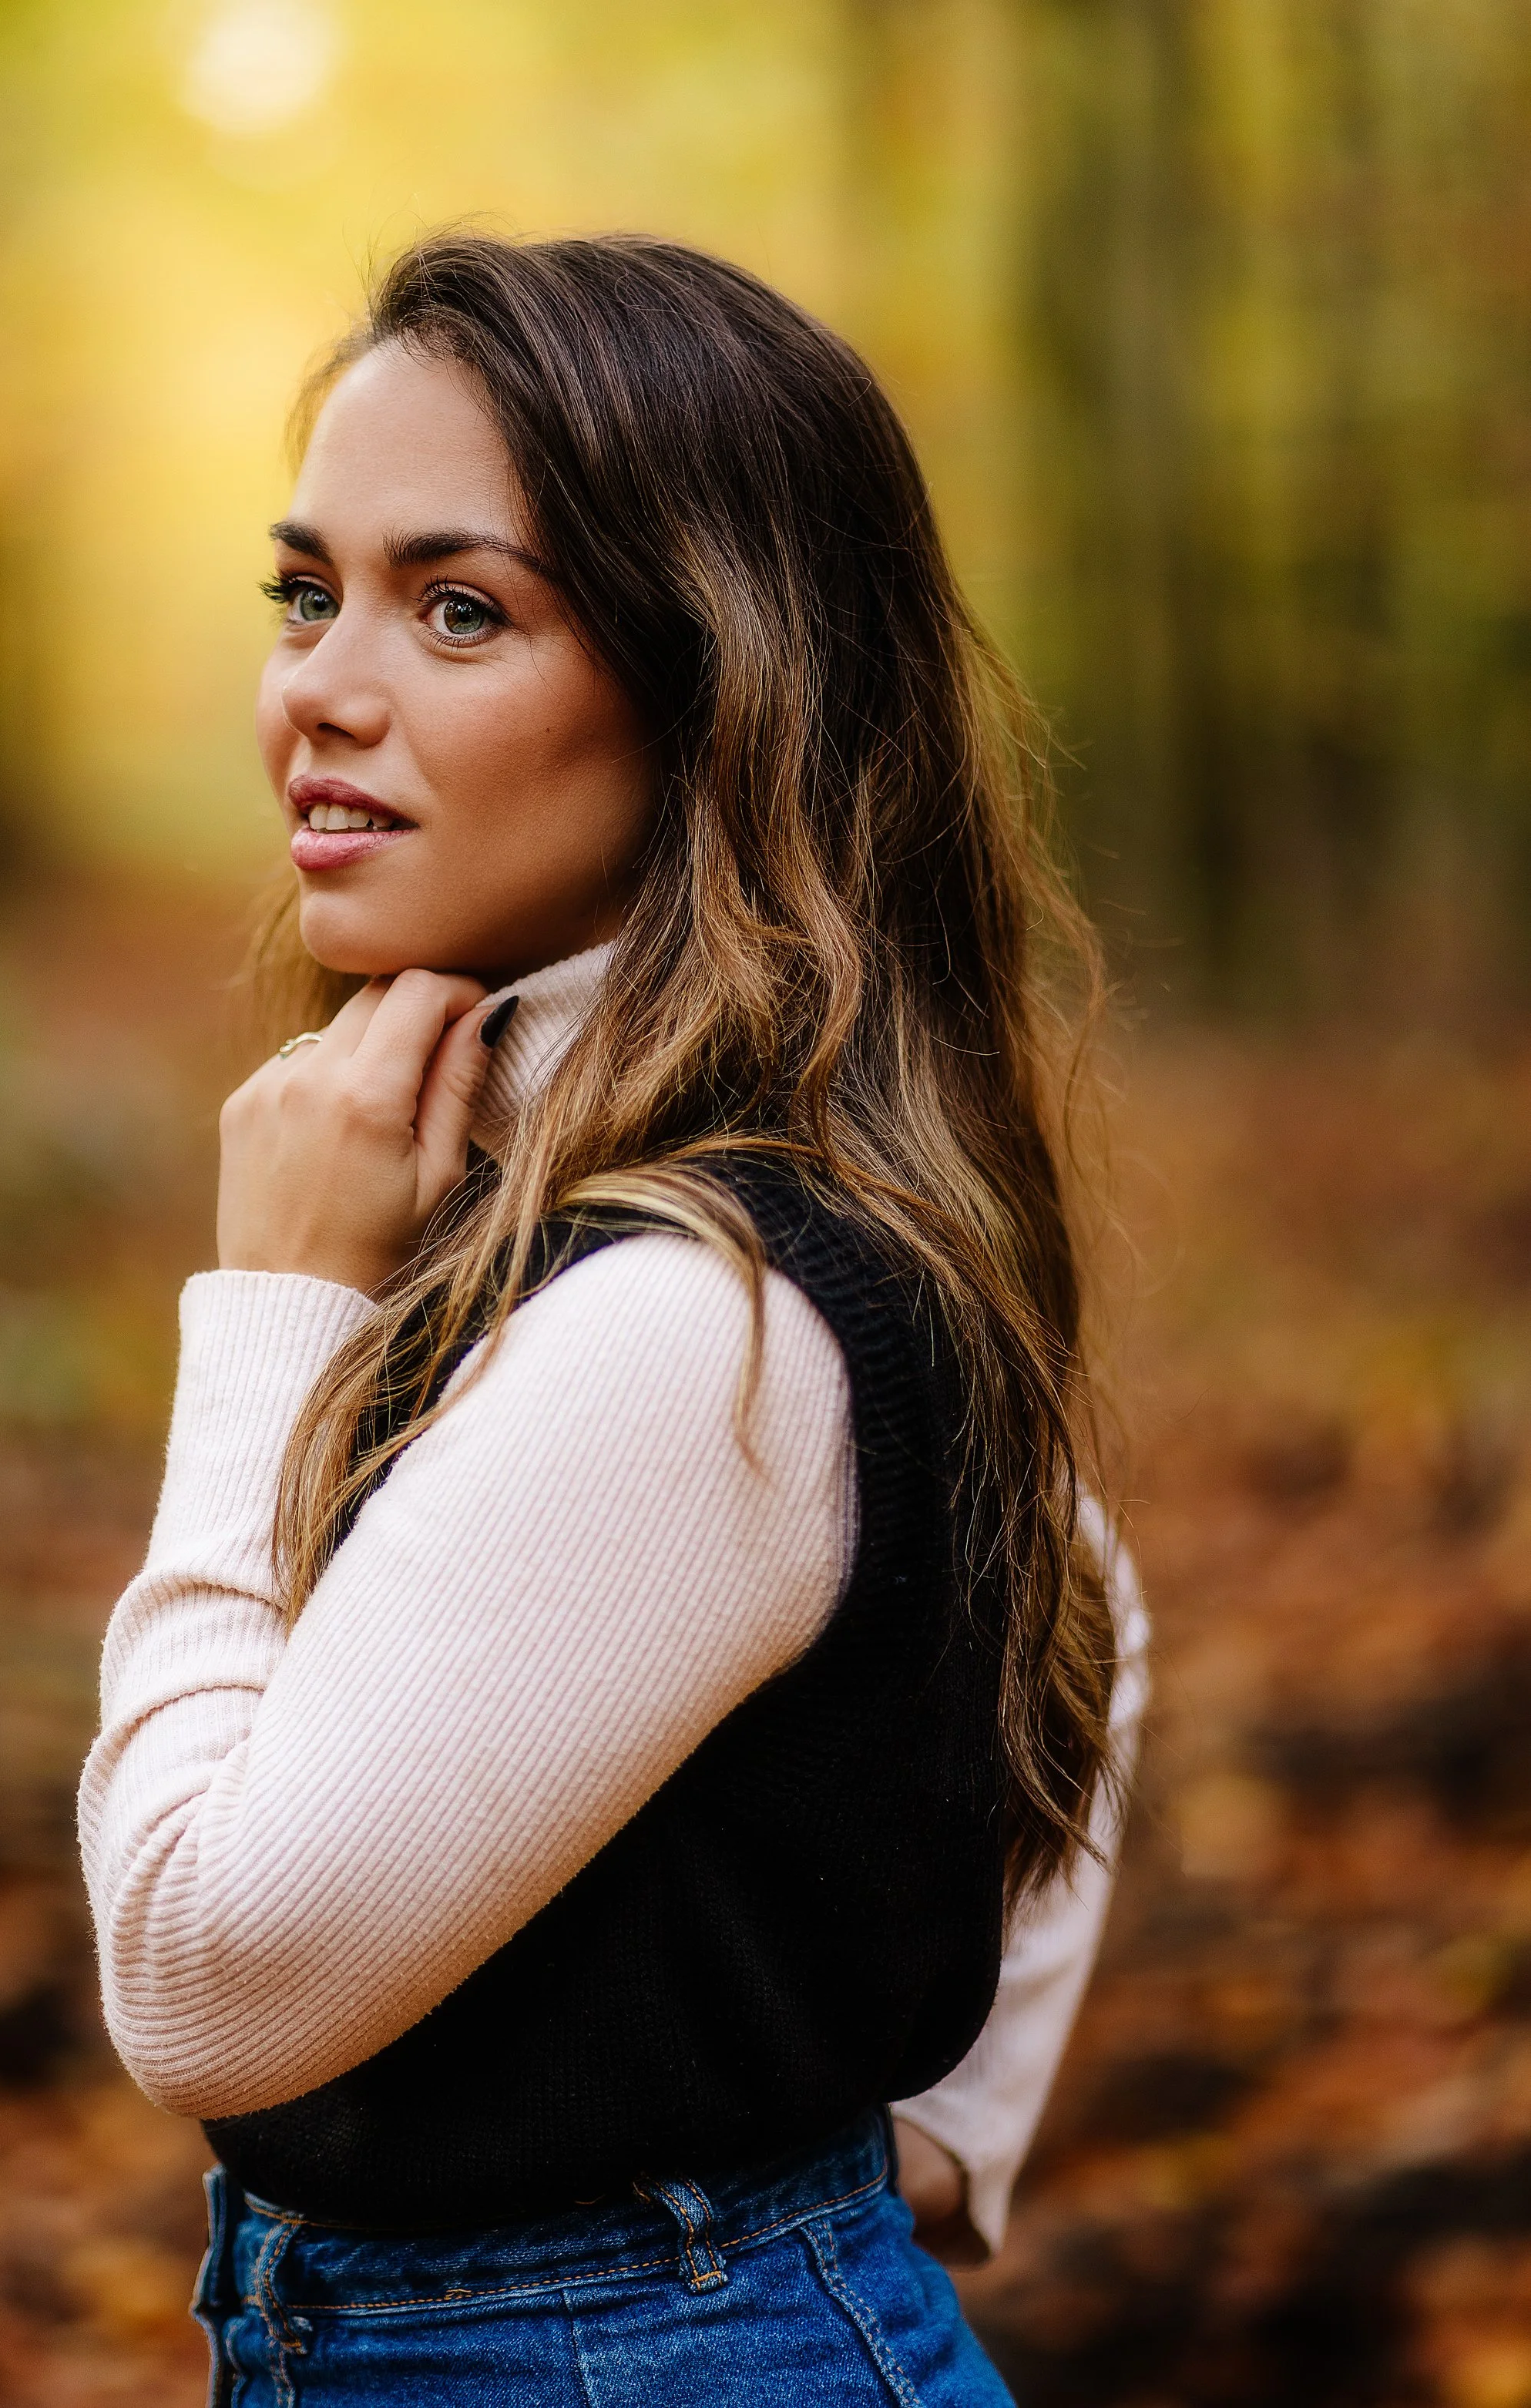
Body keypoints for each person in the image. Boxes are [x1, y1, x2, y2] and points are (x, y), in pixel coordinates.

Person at [79, 230, 1147, 2406]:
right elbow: (1080, 1577)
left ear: (725, 682)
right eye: (306, 592)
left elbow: (207, 1977)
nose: (323, 689)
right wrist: (929, 2136)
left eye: (459, 608)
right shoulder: (672, 1202)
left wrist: (272, 1307)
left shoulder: (704, 1309)